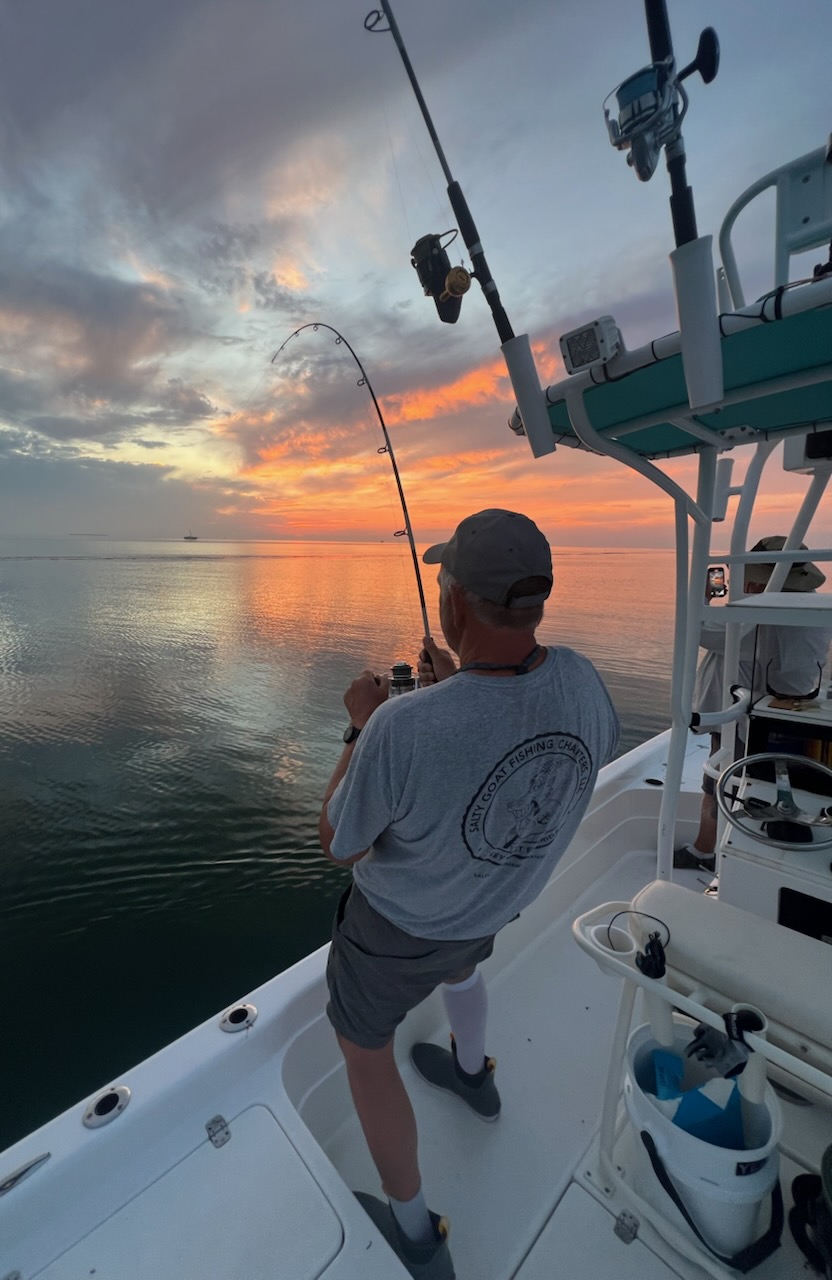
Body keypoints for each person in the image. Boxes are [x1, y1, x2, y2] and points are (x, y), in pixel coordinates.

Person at [318, 509, 620, 1279]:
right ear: (535, 603)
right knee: (462, 967)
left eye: (444, 581)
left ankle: (417, 1234)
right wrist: (467, 691)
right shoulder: (584, 678)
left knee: (363, 1050)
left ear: (452, 605)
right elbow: (559, 746)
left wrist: (361, 727)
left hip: (393, 932)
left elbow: (340, 843)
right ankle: (473, 1075)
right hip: (494, 906)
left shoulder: (400, 727)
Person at [675, 536, 832, 870]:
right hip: (788, 714)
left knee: (718, 785)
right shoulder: (812, 607)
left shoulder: (758, 614)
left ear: (763, 577)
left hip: (741, 721)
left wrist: (700, 597)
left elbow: (696, 630)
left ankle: (706, 852)